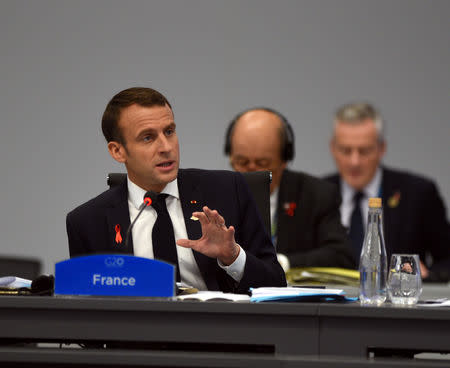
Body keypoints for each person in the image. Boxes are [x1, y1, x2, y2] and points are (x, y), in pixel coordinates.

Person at [66, 87, 286, 293]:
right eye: (148, 137)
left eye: (169, 131)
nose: (166, 147)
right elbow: (87, 309)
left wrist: (232, 256)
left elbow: (276, 285)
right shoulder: (87, 222)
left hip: (219, 329)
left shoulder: (228, 191)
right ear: (117, 151)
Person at [326, 102, 450, 280]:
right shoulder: (316, 193)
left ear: (381, 148)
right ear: (332, 148)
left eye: (364, 151)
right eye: (346, 150)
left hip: (396, 304)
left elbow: (447, 259)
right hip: (331, 305)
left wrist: (429, 274)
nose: (354, 161)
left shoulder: (417, 193)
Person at [224, 107, 355, 271]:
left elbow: (341, 255)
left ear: (284, 159)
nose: (253, 171)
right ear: (230, 156)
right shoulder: (214, 193)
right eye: (242, 162)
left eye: (263, 164)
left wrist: (283, 263)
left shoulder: (316, 195)